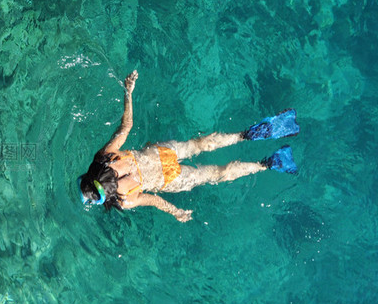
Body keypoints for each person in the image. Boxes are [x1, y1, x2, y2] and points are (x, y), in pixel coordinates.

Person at [77, 70, 299, 222]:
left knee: (216, 174)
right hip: (162, 152)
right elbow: (126, 126)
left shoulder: (124, 200)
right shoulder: (106, 156)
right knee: (200, 144)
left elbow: (154, 200)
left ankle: (266, 164)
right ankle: (246, 134)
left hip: (170, 177)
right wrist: (128, 92)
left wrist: (176, 212)